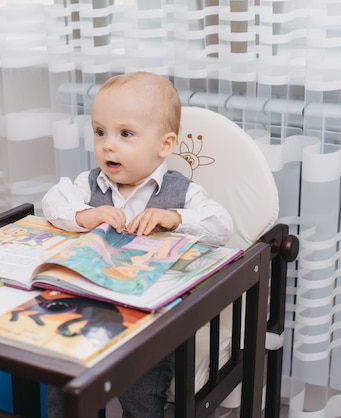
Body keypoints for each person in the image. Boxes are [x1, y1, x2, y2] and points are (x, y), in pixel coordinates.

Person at [41, 71, 233, 418]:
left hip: (150, 323)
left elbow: (222, 226)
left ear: (164, 145)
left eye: (125, 134)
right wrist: (85, 215)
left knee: (143, 396)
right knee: (61, 388)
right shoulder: (90, 184)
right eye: (100, 132)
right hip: (90, 309)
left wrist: (175, 218)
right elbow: (54, 201)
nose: (107, 144)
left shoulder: (182, 192)